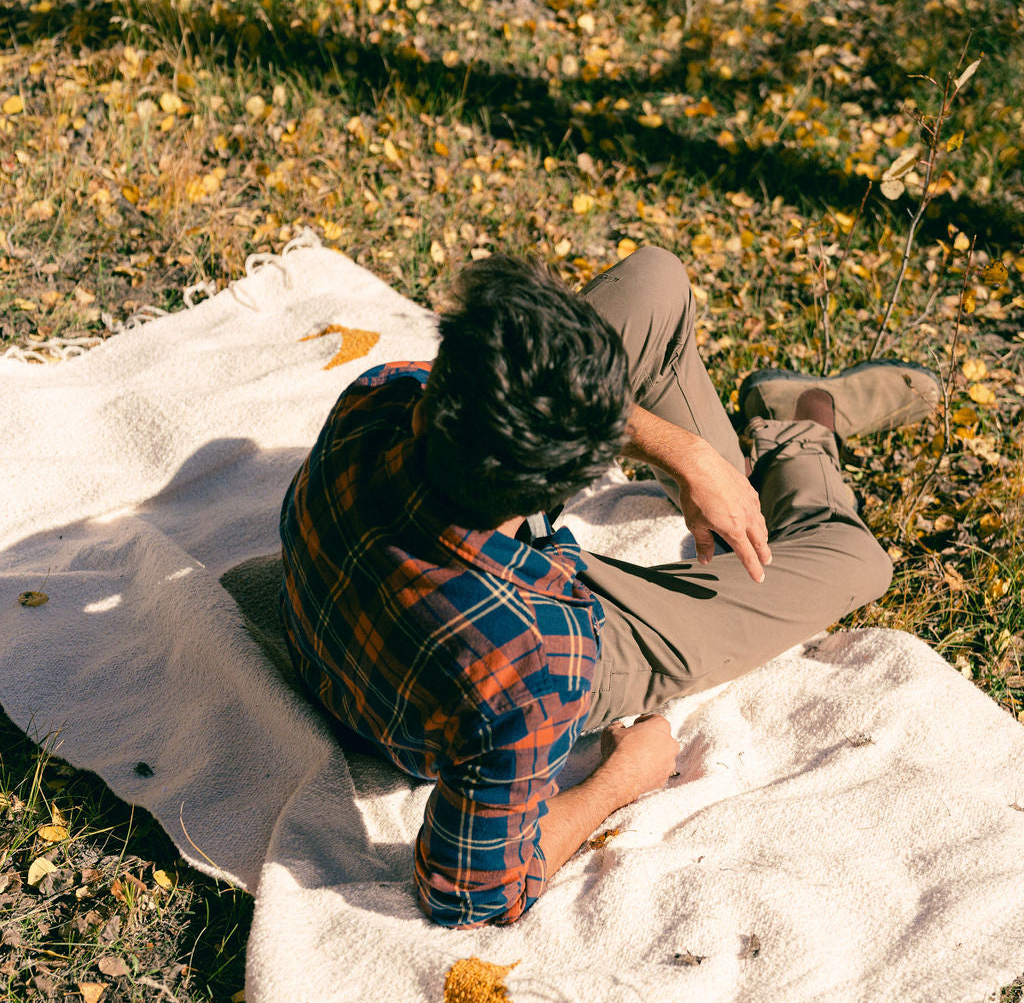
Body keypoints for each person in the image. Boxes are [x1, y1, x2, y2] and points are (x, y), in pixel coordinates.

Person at [279, 246, 938, 928]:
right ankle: (800, 426)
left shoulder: (380, 399)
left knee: (655, 276)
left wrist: (686, 452)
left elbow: (475, 403)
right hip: (471, 646)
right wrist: (618, 781)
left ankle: (732, 473)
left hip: (386, 590)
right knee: (857, 559)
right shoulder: (542, 660)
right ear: (560, 491)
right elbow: (469, 894)